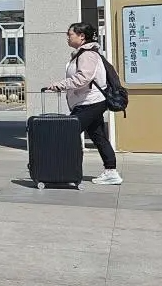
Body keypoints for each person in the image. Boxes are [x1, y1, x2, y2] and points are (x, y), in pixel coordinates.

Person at [42, 22, 122, 185]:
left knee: (67, 133)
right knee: (98, 136)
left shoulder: (87, 54)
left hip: (89, 102)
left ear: (82, 36)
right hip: (90, 101)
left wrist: (60, 85)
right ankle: (111, 171)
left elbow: (83, 78)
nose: (67, 37)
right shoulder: (83, 53)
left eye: (70, 34)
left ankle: (66, 171)